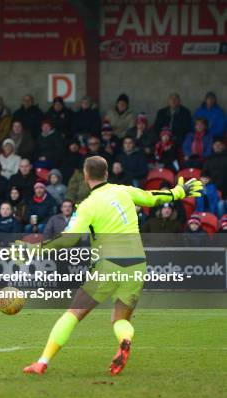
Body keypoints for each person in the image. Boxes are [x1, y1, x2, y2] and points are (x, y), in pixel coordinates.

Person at [23, 156, 202, 376]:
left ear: (86, 175)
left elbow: (68, 239)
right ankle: (125, 340)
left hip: (108, 264)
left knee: (73, 314)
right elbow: (153, 197)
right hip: (137, 263)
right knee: (120, 319)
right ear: (107, 174)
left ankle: (42, 362)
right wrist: (180, 191)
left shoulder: (87, 205)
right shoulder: (124, 191)